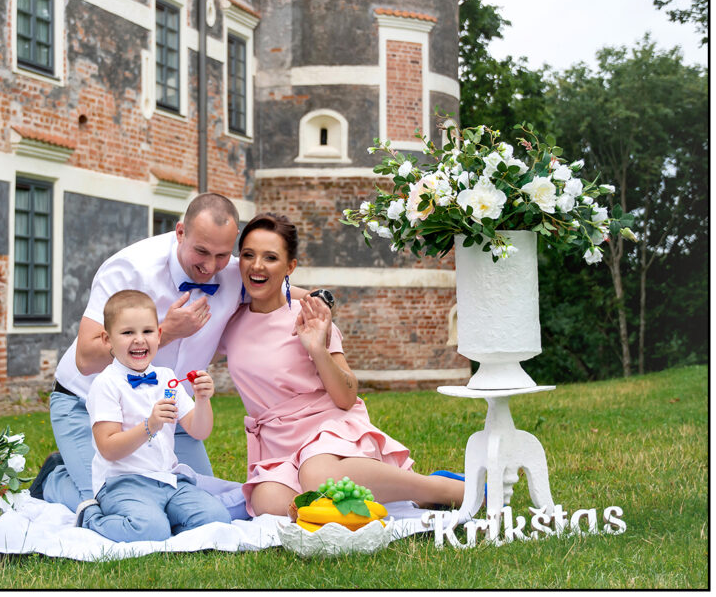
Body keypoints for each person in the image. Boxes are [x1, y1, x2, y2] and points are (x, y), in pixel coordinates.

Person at [217, 212, 466, 517]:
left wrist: (317, 349)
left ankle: (440, 490)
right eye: (248, 255)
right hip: (276, 445)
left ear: (290, 266)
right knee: (267, 503)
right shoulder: (230, 323)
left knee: (317, 476)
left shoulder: (311, 318)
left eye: (270, 257)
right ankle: (370, 502)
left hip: (326, 431)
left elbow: (347, 397)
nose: (257, 265)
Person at [35, 193, 245, 514]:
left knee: (198, 502)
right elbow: (86, 358)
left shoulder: (232, 271)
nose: (210, 266)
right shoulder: (130, 268)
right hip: (87, 402)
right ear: (180, 232)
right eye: (201, 252)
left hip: (169, 407)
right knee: (106, 503)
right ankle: (54, 478)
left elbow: (276, 289)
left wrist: (317, 297)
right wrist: (167, 331)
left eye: (222, 255)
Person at [76, 290, 231, 540]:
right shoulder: (106, 384)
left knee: (216, 517)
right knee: (150, 530)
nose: (139, 340)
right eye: (128, 333)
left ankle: (164, 520)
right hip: (122, 483)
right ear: (108, 339)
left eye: (147, 331)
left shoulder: (167, 378)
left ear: (158, 335)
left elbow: (199, 430)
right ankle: (91, 516)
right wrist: (149, 425)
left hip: (168, 480)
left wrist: (202, 400)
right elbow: (108, 448)